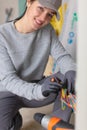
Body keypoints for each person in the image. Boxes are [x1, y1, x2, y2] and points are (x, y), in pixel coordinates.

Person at [0, 0, 76, 129]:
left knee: (69, 77)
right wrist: (39, 91)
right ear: (29, 2)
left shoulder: (47, 30)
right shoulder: (2, 34)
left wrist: (71, 71)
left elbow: (62, 57)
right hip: (6, 93)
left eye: (50, 14)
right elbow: (8, 80)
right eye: (40, 8)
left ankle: (58, 123)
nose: (43, 18)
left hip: (37, 86)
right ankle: (14, 118)